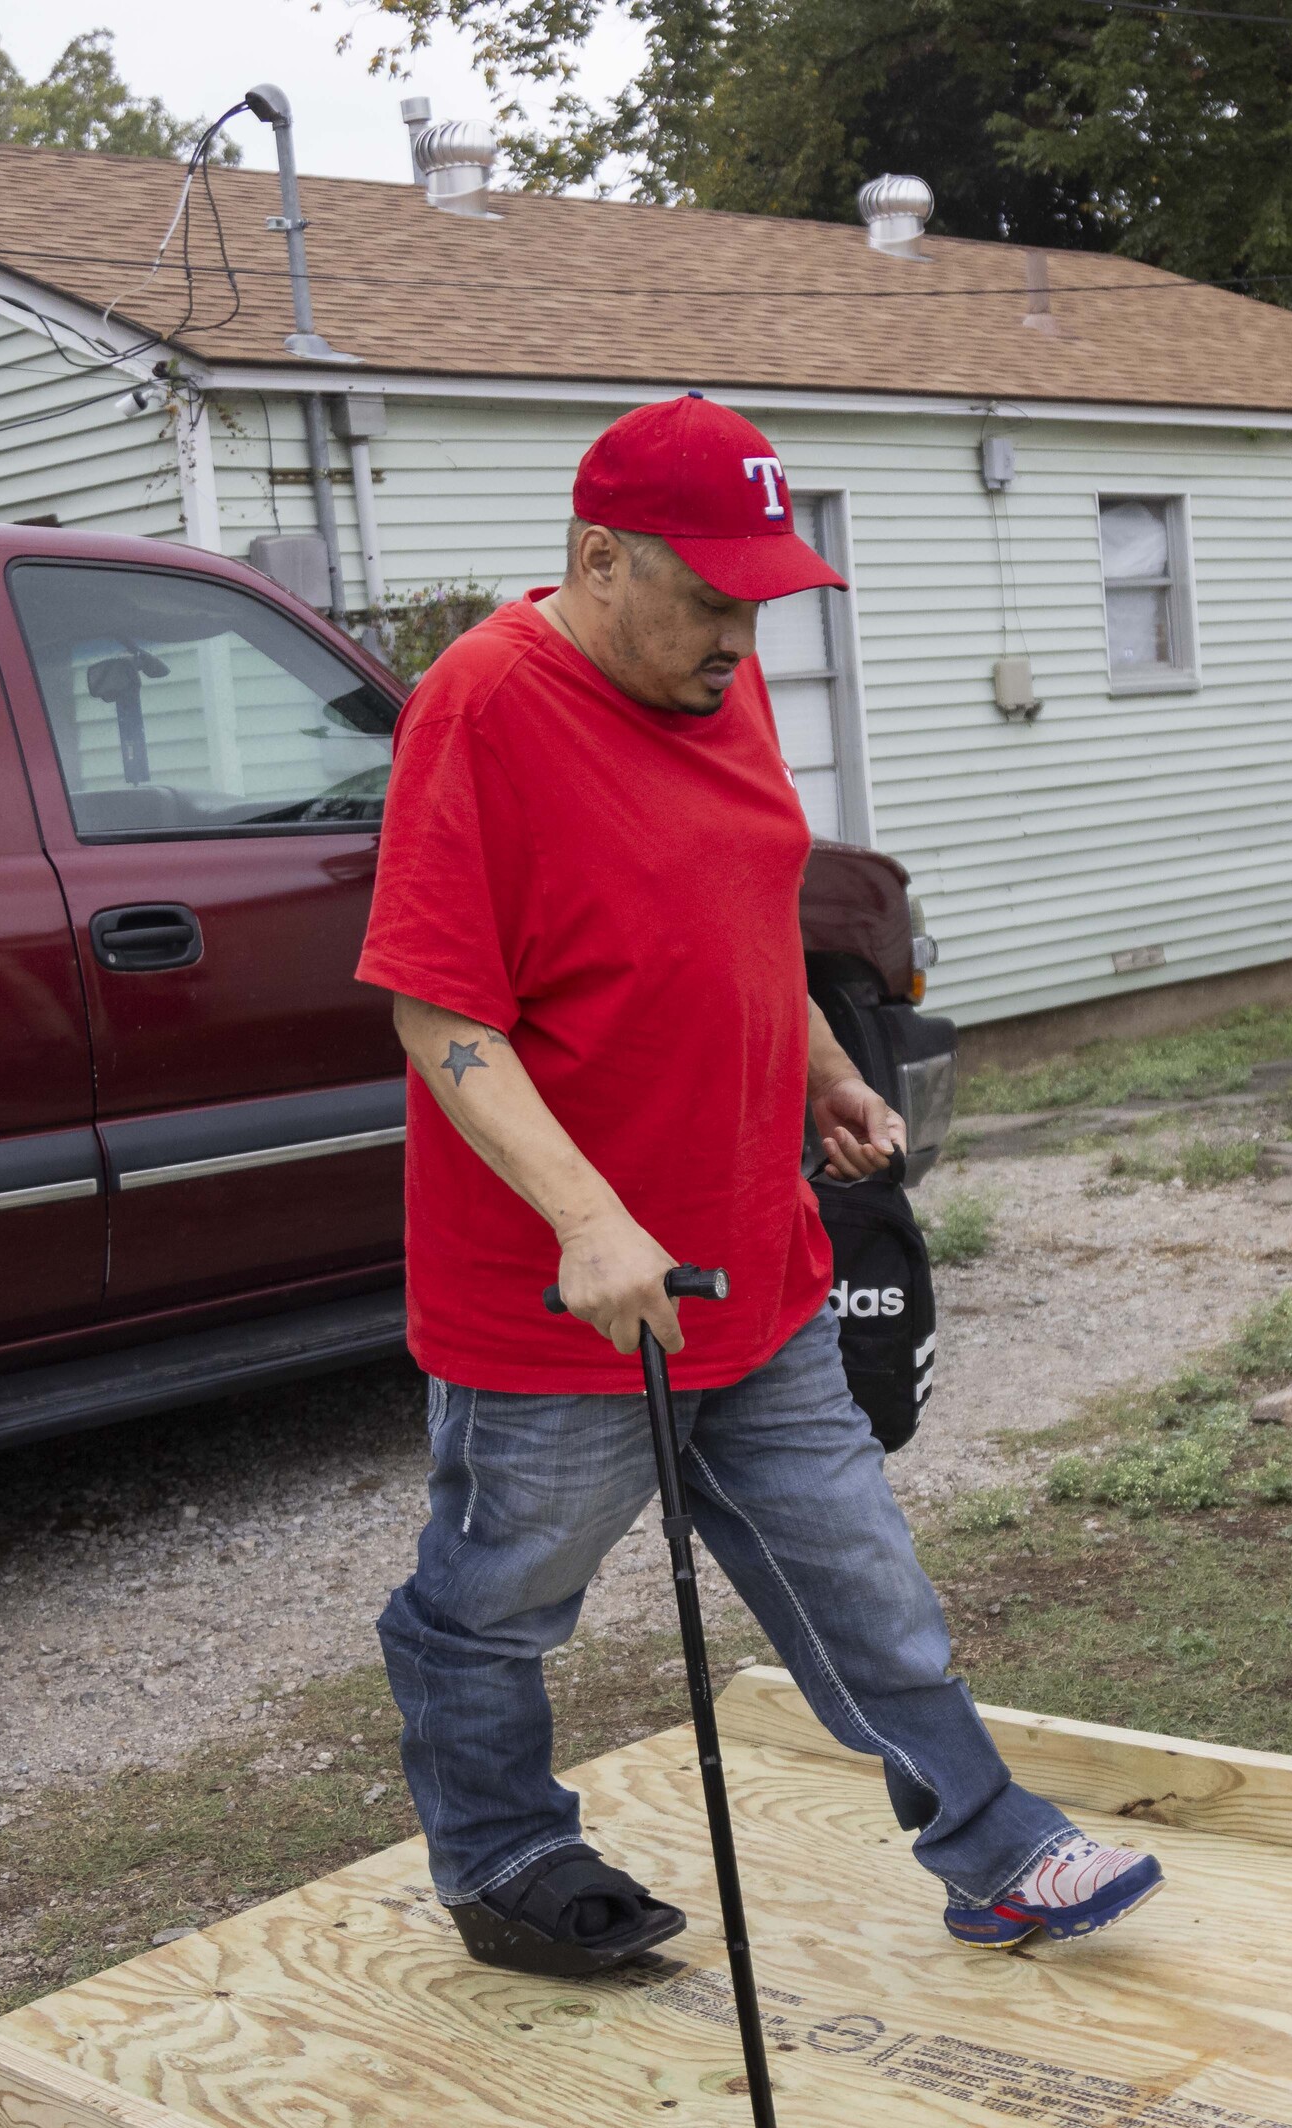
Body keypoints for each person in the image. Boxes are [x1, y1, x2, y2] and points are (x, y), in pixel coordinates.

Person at [360, 395, 1161, 1969]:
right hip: (570, 1301)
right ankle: (502, 1849)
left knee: (860, 1571)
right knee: (494, 1598)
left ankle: (992, 1848)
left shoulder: (712, 685)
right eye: (714, 596)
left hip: (757, 1260)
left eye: (762, 598)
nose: (746, 635)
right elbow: (439, 1006)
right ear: (599, 560)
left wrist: (827, 1071)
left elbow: (738, 916)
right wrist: (589, 1220)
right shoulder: (482, 707)